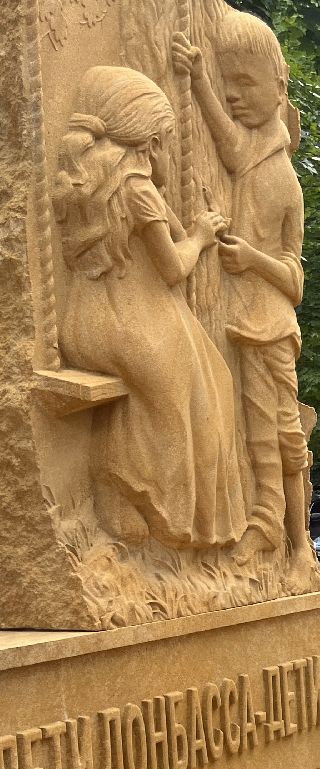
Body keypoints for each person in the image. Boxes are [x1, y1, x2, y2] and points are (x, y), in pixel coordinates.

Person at [52, 65, 245, 549]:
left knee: (203, 378)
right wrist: (201, 237)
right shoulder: (137, 191)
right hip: (131, 321)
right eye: (164, 140)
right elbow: (174, 268)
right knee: (199, 390)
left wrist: (187, 221)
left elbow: (164, 237)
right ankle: (150, 503)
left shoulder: (96, 182)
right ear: (149, 141)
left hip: (88, 319)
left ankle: (134, 495)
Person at [173, 15, 310, 568]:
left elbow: (294, 280)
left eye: (246, 84)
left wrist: (251, 258)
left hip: (271, 323)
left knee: (282, 437)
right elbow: (229, 147)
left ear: (279, 88)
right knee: (250, 433)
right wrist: (200, 79)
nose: (234, 95)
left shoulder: (284, 180)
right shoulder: (252, 155)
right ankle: (262, 526)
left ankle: (298, 545)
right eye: (229, 84)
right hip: (234, 318)